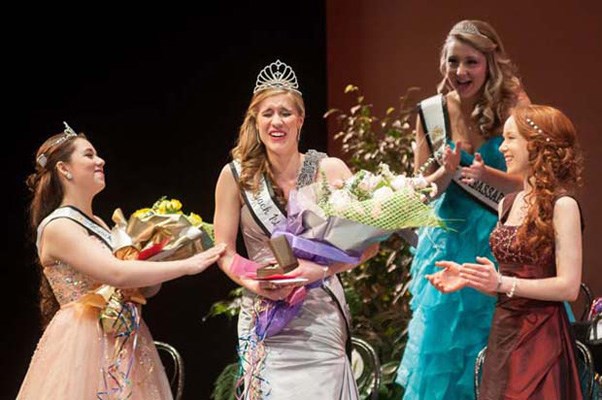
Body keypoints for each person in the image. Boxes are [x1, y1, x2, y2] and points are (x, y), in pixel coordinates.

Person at [17, 123, 227, 400]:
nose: (100, 161)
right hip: (84, 341)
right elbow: (115, 273)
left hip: (124, 335)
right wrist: (189, 265)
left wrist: (163, 253)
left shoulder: (100, 224)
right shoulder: (58, 225)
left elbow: (141, 286)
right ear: (64, 169)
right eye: (89, 155)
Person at [213, 59, 378, 399]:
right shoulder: (235, 177)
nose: (277, 121)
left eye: (286, 113)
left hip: (319, 316)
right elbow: (224, 251)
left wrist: (317, 270)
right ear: (255, 121)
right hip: (265, 314)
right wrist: (251, 281)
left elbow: (368, 245)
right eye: (267, 113)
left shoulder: (329, 170)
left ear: (300, 119)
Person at [396, 20, 530, 399]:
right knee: (446, 356)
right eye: (453, 61)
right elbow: (422, 189)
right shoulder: (430, 113)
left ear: (489, 63)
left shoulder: (512, 106)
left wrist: (484, 172)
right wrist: (446, 171)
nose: (460, 72)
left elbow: (533, 184)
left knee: (504, 349)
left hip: (500, 241)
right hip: (446, 245)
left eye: (471, 62)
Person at [427, 104, 584, 399]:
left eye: (511, 138)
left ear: (537, 146)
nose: (503, 147)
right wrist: (471, 277)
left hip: (542, 336)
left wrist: (501, 283)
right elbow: (511, 281)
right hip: (504, 332)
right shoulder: (507, 204)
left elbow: (568, 287)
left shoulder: (563, 206)